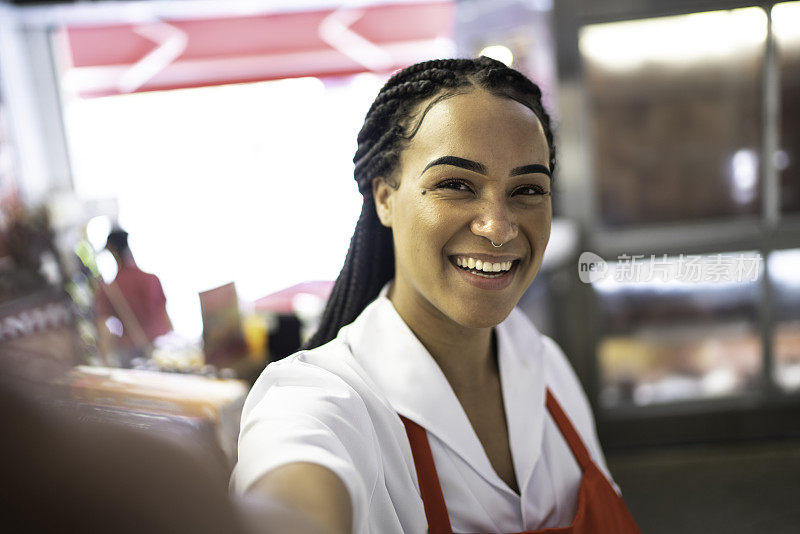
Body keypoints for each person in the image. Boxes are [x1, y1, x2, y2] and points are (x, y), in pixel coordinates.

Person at [232, 57, 641, 534]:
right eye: (456, 184)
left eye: (527, 189)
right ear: (385, 197)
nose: (498, 227)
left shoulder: (549, 369)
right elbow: (292, 490)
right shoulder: (322, 399)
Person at [94, 228, 172, 366]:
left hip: (133, 353)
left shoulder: (110, 289)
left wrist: (105, 361)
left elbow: (104, 329)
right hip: (163, 346)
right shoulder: (152, 279)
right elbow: (165, 315)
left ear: (112, 250)